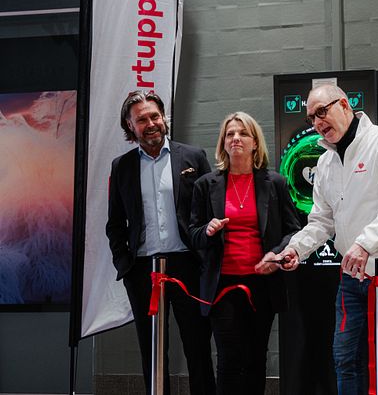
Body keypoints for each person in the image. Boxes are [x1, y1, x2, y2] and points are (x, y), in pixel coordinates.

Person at [275, 84, 378, 395]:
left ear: (343, 104)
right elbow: (321, 221)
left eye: (321, 112)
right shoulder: (325, 161)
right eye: (311, 118)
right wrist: (295, 250)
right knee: (344, 357)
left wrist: (364, 243)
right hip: (352, 275)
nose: (317, 122)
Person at [106, 90, 215, 395]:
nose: (151, 123)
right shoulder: (122, 167)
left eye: (155, 116)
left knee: (198, 347)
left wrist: (206, 258)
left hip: (187, 266)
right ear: (131, 127)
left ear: (164, 117)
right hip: (142, 271)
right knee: (152, 351)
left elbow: (209, 212)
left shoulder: (193, 157)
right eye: (142, 119)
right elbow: (114, 224)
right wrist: (124, 264)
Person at [188, 111, 300, 394]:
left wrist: (274, 255)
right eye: (230, 134)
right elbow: (193, 234)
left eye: (243, 133)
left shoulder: (274, 183)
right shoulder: (206, 185)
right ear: (223, 143)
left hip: (262, 283)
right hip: (222, 284)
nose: (236, 138)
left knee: (255, 358)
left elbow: (293, 229)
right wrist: (208, 229)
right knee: (228, 358)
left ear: (254, 143)